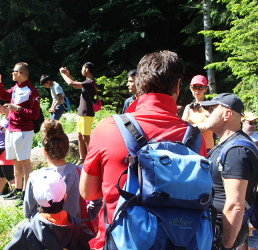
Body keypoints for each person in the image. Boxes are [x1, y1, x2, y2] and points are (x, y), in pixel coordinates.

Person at [78, 50, 207, 249]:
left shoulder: (108, 128)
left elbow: (88, 191)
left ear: (138, 86)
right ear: (178, 86)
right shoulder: (195, 138)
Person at [199, 93, 258, 250]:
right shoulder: (226, 144)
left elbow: (235, 206)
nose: (206, 113)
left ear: (227, 114)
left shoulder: (236, 150)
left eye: (211, 109)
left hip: (219, 233)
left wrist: (225, 246)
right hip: (212, 228)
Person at [4, 171, 94, 250]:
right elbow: (95, 246)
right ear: (65, 197)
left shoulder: (28, 230)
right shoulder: (77, 226)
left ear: (35, 199)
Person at [0, 62, 40, 206]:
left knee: (25, 162)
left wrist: (17, 109)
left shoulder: (32, 91)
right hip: (11, 130)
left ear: (19, 73)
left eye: (13, 71)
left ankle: (26, 193)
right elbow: (3, 95)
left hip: (24, 130)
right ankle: (18, 189)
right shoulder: (16, 87)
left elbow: (35, 114)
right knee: (14, 160)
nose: (11, 73)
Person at [23, 119, 81, 219]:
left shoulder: (35, 177)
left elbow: (27, 212)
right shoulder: (79, 172)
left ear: (44, 150)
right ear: (67, 149)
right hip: (73, 230)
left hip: (43, 231)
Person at [59, 62, 96, 165]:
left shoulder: (90, 82)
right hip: (81, 113)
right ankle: (82, 158)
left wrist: (63, 75)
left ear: (87, 69)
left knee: (85, 137)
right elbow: (74, 82)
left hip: (87, 113)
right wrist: (68, 75)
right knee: (80, 136)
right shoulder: (86, 82)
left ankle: (92, 159)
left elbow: (72, 84)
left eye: (82, 68)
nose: (81, 70)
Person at [182, 75, 215, 152]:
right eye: (194, 87)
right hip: (191, 147)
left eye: (200, 87)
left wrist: (188, 127)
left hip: (207, 148)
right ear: (190, 88)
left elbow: (205, 126)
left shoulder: (211, 107)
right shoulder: (188, 107)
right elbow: (181, 126)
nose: (197, 90)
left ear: (206, 89)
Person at [0, 95, 15, 196]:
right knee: (1, 174)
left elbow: (11, 134)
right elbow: (1, 133)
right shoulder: (3, 117)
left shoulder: (11, 117)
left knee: (9, 176)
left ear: (5, 105)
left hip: (6, 150)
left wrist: (0, 127)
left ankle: (15, 195)